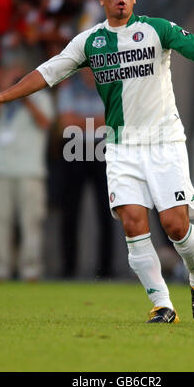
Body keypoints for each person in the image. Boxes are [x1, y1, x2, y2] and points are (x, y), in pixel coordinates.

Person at [0, 0, 194, 323]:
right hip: (122, 147)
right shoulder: (88, 42)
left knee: (174, 226)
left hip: (163, 142)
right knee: (133, 222)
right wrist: (4, 95)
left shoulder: (158, 29)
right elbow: (47, 72)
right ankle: (163, 305)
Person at [0, 64, 54, 280]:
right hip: (0, 167)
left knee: (31, 222)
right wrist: (4, 92)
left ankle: (31, 270)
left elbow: (45, 123)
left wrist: (25, 97)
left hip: (29, 169)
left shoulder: (41, 98)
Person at [57, 68, 114, 277]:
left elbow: (112, 122)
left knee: (107, 210)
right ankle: (68, 267)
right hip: (74, 148)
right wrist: (96, 120)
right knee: (70, 210)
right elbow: (65, 124)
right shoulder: (69, 89)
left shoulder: (108, 88)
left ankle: (106, 269)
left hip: (102, 149)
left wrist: (80, 120)